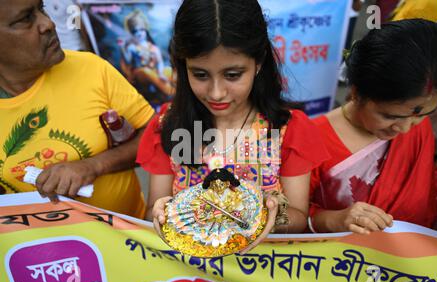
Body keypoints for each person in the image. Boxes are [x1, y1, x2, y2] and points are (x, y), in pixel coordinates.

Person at [136, 0, 329, 252]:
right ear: (183, 67)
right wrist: (161, 212)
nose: (216, 93)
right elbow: (153, 208)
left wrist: (264, 216)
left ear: (258, 63)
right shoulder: (171, 126)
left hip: (258, 274)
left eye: (232, 75)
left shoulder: (285, 129)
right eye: (201, 75)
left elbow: (298, 216)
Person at [0, 0, 154, 218]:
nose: (48, 24)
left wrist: (93, 166)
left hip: (128, 244)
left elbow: (154, 135)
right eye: (25, 19)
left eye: (41, 9)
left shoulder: (91, 69)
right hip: (34, 250)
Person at [309, 19, 437, 234]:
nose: (404, 129)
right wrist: (334, 219)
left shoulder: (417, 128)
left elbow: (422, 205)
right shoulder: (310, 139)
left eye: (421, 114)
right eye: (389, 116)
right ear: (357, 93)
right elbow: (286, 217)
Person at [121, 10, 173, 98]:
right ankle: (169, 91)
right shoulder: (131, 47)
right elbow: (127, 62)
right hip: (139, 73)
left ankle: (175, 89)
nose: (139, 33)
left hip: (153, 71)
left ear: (145, 30)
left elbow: (160, 62)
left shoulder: (152, 47)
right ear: (131, 33)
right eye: (135, 31)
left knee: (169, 69)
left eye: (141, 30)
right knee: (146, 71)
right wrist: (124, 49)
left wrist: (160, 73)